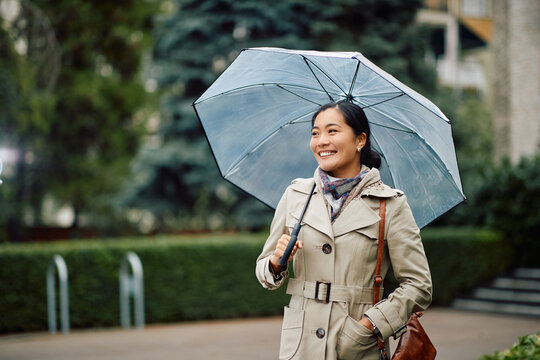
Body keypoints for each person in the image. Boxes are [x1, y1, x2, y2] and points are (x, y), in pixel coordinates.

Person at [255, 100, 433, 360]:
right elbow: (264, 271)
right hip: (300, 346)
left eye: (332, 131)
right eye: (315, 133)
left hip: (356, 346)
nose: (321, 141)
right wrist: (275, 262)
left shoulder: (390, 204)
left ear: (360, 140)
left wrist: (371, 324)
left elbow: (419, 286)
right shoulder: (296, 195)